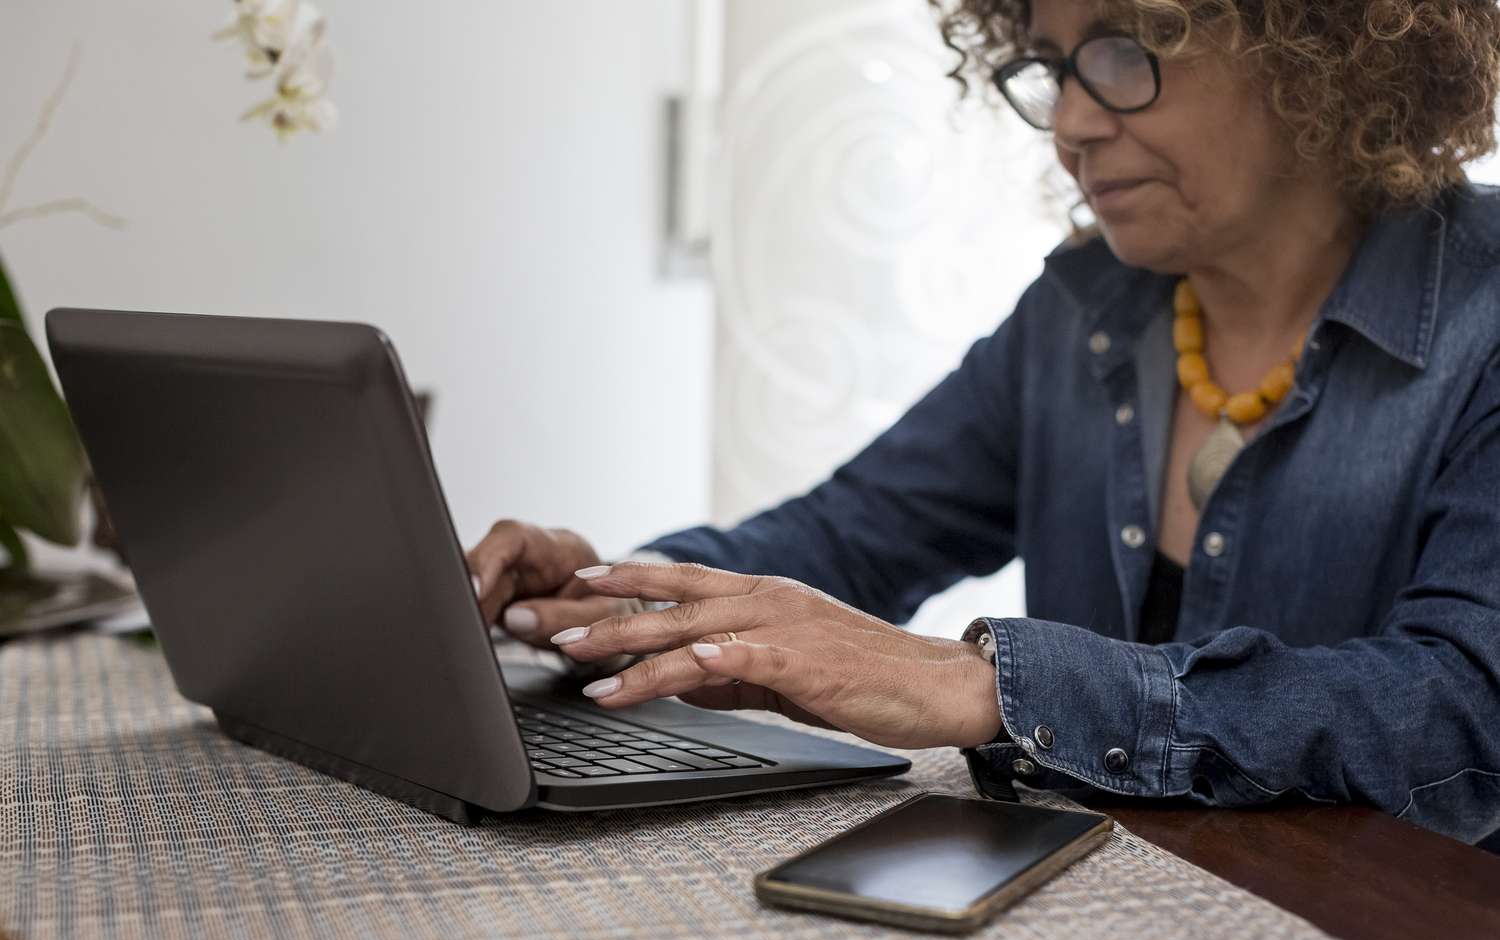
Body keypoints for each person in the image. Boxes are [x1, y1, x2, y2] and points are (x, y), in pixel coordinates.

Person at [467, 0, 1500, 847]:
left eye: (1126, 50)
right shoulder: (1080, 309)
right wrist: (611, 594)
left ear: (1317, 51)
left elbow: (1462, 706)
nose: (1071, 125)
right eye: (1053, 67)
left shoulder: (1484, 317)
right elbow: (844, 537)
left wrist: (991, 687)